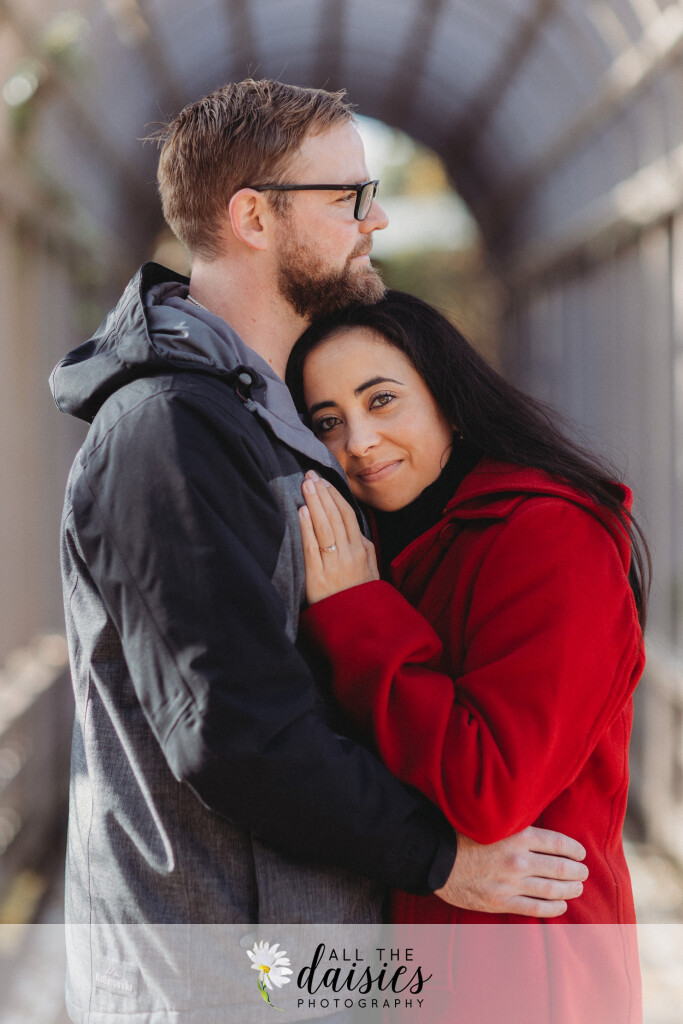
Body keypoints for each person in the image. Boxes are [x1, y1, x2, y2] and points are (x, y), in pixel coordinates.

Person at [51, 82, 587, 1024]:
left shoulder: (269, 415)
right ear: (253, 217)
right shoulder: (170, 429)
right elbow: (233, 730)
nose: (374, 219)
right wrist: (442, 860)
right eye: (347, 197)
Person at [287, 290, 649, 1022]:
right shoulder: (396, 541)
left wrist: (356, 612)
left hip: (529, 969)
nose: (358, 441)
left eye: (381, 400)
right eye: (328, 421)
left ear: (447, 399)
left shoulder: (549, 536)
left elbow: (492, 789)